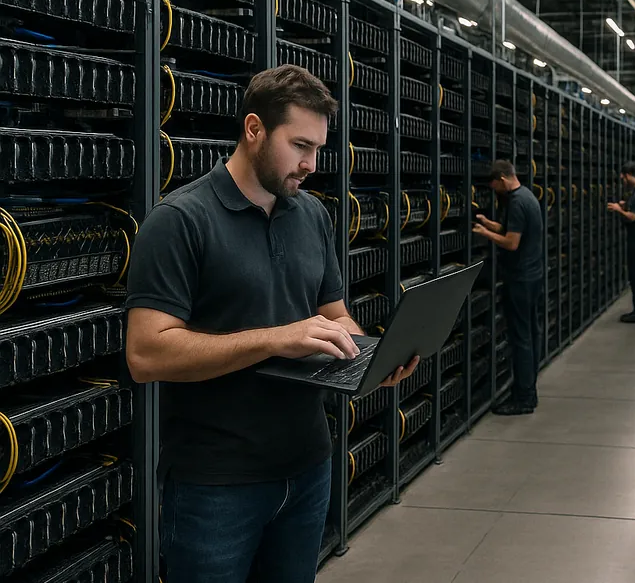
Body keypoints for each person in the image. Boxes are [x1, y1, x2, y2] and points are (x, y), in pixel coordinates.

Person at [124, 65, 419, 583]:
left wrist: (373, 356)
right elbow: (147, 354)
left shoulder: (311, 216)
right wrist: (275, 338)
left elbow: (334, 315)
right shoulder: (179, 220)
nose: (309, 164)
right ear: (254, 129)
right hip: (216, 482)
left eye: (318, 149)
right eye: (299, 145)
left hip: (308, 466)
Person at [474, 160, 544, 415]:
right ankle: (529, 390)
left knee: (521, 338)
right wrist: (488, 223)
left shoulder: (516, 202)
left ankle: (524, 398)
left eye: (493, 185)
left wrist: (484, 232)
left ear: (502, 179)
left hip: (520, 279)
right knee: (532, 334)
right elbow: (511, 229)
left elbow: (511, 242)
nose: (493, 190)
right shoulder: (527, 196)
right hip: (533, 276)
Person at [606, 161, 635, 323]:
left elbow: (633, 217)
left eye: (623, 178)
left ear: (628, 175)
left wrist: (619, 210)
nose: (623, 181)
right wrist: (626, 205)